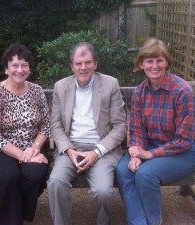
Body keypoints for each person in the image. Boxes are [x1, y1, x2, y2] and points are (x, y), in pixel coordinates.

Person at [116, 38, 195, 225]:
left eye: (159, 60)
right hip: (152, 147)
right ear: (141, 64)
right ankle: (138, 222)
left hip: (185, 152)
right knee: (123, 170)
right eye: (149, 61)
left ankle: (154, 221)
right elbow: (137, 128)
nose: (154, 66)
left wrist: (148, 154)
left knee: (146, 174)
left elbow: (185, 139)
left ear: (166, 63)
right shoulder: (140, 92)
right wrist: (136, 153)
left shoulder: (183, 91)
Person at [47, 42, 127, 225]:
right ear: (72, 66)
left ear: (95, 64)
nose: (83, 67)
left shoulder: (110, 84)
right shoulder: (61, 86)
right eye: (78, 63)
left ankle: (102, 221)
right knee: (55, 183)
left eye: (88, 62)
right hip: (71, 149)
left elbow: (120, 126)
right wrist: (68, 150)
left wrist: (97, 152)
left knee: (103, 192)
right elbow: (56, 124)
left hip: (102, 150)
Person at [0, 43, 50, 225]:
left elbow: (46, 127)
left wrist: (34, 148)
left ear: (29, 68)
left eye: (24, 65)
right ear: (6, 69)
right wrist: (23, 156)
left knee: (35, 175)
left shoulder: (37, 91)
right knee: (8, 177)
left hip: (31, 148)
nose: (20, 70)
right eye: (14, 65)